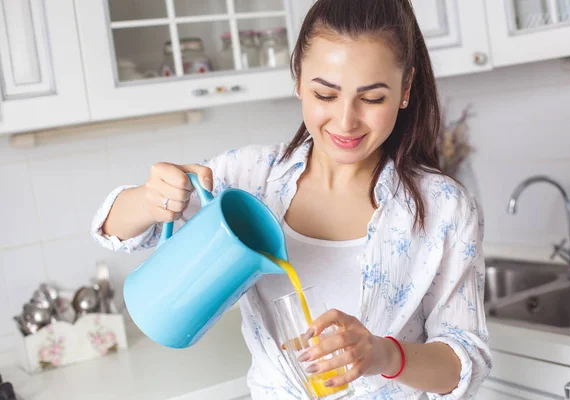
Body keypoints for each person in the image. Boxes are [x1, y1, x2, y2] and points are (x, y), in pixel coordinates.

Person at [91, 0, 491, 398]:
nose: (346, 121)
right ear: (298, 79)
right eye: (325, 94)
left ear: (405, 90)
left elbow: (464, 362)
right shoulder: (248, 178)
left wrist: (384, 355)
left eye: (371, 99)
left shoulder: (444, 208)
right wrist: (150, 199)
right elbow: (113, 230)